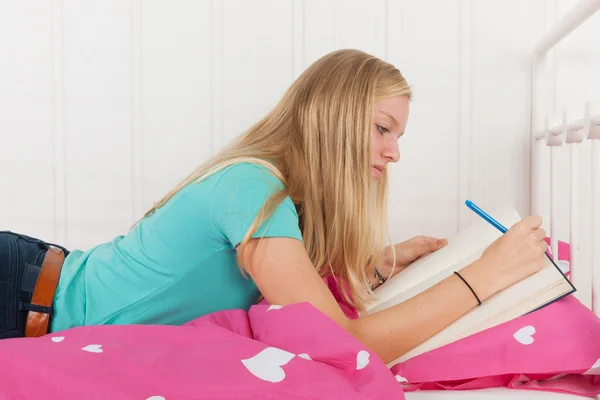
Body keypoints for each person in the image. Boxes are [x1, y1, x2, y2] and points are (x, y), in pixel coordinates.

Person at [0, 49, 547, 364]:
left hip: (36, 290)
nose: (394, 152)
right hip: (20, 292)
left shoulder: (287, 204)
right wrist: (484, 274)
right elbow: (347, 344)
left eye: (396, 135)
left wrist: (378, 262)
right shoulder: (253, 188)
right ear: (333, 118)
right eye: (382, 129)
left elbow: (295, 300)